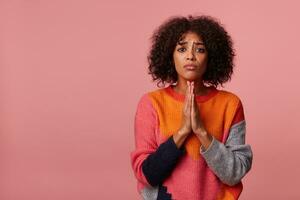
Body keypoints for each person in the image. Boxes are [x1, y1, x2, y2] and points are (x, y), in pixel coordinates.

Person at [130, 15, 253, 200]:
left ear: (211, 55)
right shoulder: (151, 104)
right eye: (181, 49)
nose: (190, 56)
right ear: (170, 55)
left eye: (200, 49)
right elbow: (147, 174)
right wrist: (182, 132)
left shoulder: (230, 105)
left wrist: (201, 131)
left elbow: (233, 174)